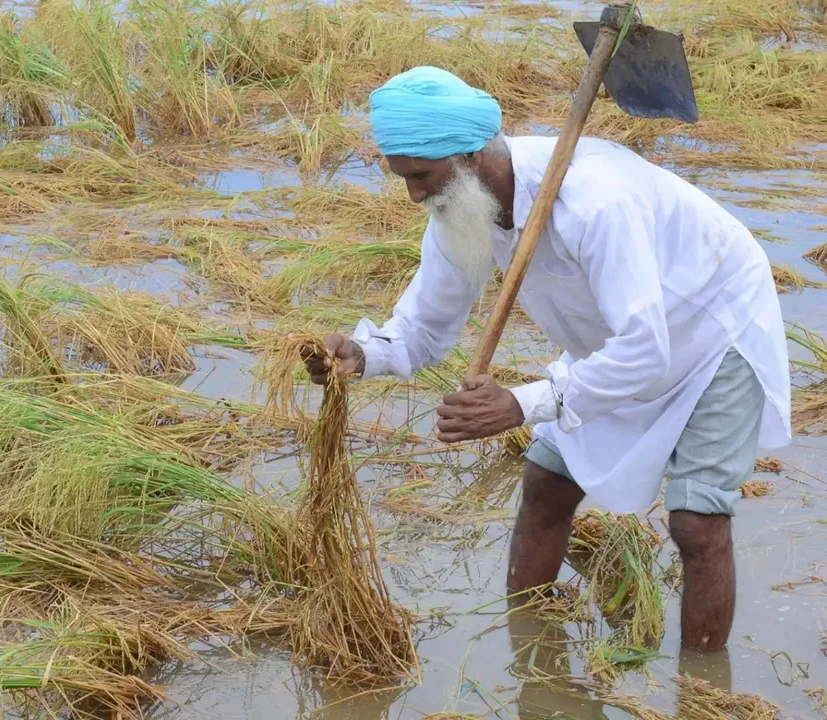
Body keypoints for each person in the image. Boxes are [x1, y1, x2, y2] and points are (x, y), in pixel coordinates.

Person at [302, 66, 791, 652]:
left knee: (696, 519)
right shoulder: (462, 206)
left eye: (421, 176)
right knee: (546, 484)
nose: (413, 194)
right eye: (402, 177)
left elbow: (645, 348)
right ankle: (529, 656)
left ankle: (703, 692)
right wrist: (362, 354)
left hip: (711, 328)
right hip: (611, 347)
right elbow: (424, 327)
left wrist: (520, 404)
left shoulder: (596, 201)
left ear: (472, 154)